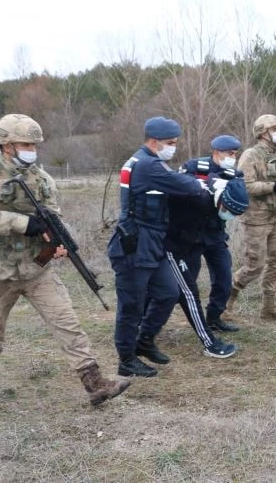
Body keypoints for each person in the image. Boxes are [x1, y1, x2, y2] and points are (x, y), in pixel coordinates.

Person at [0, 113, 130, 409]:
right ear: (7, 145)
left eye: (34, 145)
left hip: (37, 269)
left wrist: (57, 241)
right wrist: (22, 223)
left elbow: (53, 215)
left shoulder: (42, 178)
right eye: (26, 144)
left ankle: (95, 384)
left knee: (68, 324)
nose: (32, 150)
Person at [107, 116, 209, 377]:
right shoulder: (147, 165)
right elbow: (185, 185)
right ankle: (126, 359)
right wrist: (200, 183)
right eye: (170, 143)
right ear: (154, 142)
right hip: (134, 245)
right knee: (132, 305)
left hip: (153, 244)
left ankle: (144, 340)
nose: (174, 147)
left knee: (168, 292)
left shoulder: (150, 162)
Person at [162, 174, 249, 358]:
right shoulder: (195, 195)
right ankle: (209, 343)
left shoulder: (224, 192)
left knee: (176, 291)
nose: (229, 214)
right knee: (186, 292)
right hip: (174, 246)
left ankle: (144, 332)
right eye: (227, 209)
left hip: (196, 242)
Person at [229, 114, 276, 321]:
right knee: (255, 264)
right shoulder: (250, 156)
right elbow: (245, 186)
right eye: (274, 129)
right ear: (262, 132)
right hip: (256, 217)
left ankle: (269, 308)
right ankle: (224, 304)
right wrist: (273, 187)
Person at [179, 135, 245, 332]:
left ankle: (214, 318)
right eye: (229, 153)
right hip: (191, 235)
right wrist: (207, 184)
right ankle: (149, 318)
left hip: (215, 233)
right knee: (185, 282)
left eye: (235, 154)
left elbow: (237, 200)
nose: (233, 157)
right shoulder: (194, 167)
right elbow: (178, 189)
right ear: (216, 152)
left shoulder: (234, 174)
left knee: (224, 279)